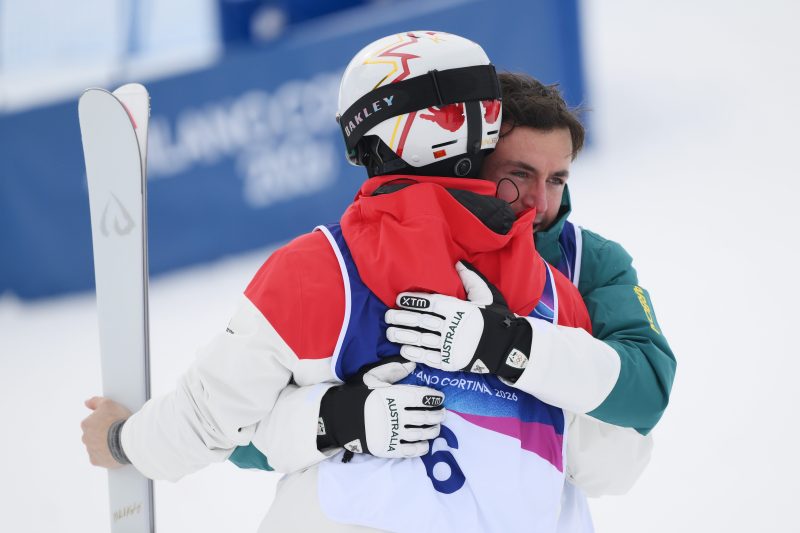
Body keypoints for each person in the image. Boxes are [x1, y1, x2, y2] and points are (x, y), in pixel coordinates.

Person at [81, 32, 649, 533]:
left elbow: (210, 421)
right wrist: (505, 375)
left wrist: (120, 441)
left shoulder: (318, 269)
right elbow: (614, 458)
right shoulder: (550, 291)